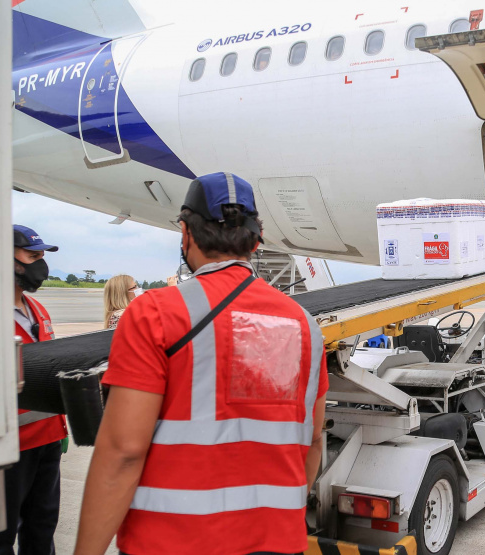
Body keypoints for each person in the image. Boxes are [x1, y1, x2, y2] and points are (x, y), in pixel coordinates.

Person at [74, 172, 328, 555]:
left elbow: (124, 451)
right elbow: (312, 441)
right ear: (256, 238)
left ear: (186, 233)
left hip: (172, 542)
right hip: (276, 542)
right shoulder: (304, 325)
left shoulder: (154, 313)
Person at [0, 225, 68, 555]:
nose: (40, 264)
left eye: (42, 256)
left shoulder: (38, 311)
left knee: (42, 528)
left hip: (46, 441)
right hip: (3, 449)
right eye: (32, 256)